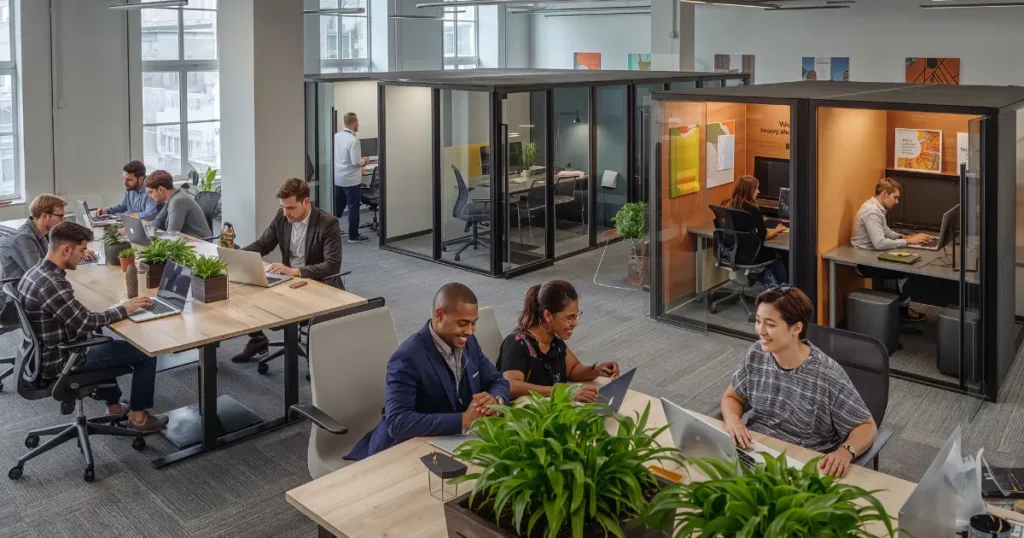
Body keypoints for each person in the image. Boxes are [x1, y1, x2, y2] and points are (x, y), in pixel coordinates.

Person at [15, 222, 167, 432]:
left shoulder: (35, 273)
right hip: (64, 360)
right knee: (145, 353)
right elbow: (86, 322)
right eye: (82, 250)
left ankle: (114, 407)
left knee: (108, 341)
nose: (84, 254)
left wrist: (113, 310)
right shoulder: (52, 284)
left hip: (46, 355)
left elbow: (76, 318)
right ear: (66, 249)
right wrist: (124, 309)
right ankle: (138, 419)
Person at [720, 286, 877, 478]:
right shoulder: (756, 354)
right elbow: (732, 397)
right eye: (758, 321)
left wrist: (845, 451)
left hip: (801, 462)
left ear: (796, 328)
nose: (760, 330)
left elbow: (867, 426)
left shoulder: (826, 374)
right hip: (754, 448)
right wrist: (733, 420)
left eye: (770, 324)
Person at [346, 283, 510, 461]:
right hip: (405, 448)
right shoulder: (407, 357)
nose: (470, 331)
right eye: (463, 324)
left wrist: (494, 400)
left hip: (451, 440)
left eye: (474, 323)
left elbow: (498, 381)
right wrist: (463, 420)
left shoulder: (469, 342)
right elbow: (398, 422)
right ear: (439, 315)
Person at [230, 178, 343, 363]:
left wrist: (295, 271)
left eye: (291, 208)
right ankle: (258, 340)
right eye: (283, 207)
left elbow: (332, 265)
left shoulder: (328, 223)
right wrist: (236, 257)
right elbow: (264, 244)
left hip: (318, 284)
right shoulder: (282, 217)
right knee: (242, 291)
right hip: (288, 281)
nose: (286, 213)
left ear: (306, 202)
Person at [497, 280, 619, 402]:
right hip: (529, 416)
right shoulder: (517, 343)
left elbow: (572, 369)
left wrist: (596, 369)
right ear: (547, 315)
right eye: (569, 317)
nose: (575, 322)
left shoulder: (554, 341)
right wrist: (564, 392)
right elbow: (510, 386)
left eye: (576, 315)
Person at [850, 178, 933, 322]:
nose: (897, 202)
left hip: (873, 256)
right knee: (905, 269)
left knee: (908, 260)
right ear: (884, 194)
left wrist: (903, 236)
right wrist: (907, 242)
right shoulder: (871, 211)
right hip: (866, 262)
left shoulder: (876, 208)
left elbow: (885, 230)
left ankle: (901, 307)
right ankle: (903, 310)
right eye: (895, 197)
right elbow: (880, 243)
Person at [0, 195, 95, 281]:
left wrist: (77, 252)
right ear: (45, 216)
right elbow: (41, 275)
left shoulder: (42, 233)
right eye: (60, 216)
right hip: (17, 295)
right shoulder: (24, 239)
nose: (63, 220)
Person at [721, 175, 788, 286]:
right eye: (756, 188)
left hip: (731, 251)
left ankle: (767, 281)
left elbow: (741, 229)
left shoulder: (727, 205)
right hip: (751, 254)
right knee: (779, 256)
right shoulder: (752, 209)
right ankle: (782, 290)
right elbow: (764, 236)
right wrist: (777, 230)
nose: (758, 191)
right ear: (749, 191)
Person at [333, 112, 370, 243]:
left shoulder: (335, 137)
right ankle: (353, 235)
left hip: (338, 178)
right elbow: (356, 162)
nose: (358, 124)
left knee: (337, 207)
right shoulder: (354, 141)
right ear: (354, 122)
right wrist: (365, 160)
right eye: (357, 122)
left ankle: (332, 232)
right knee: (353, 208)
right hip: (351, 180)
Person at [145, 170, 213, 238]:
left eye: (150, 192)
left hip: (199, 243)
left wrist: (150, 238)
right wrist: (147, 233)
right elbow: (158, 221)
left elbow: (171, 236)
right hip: (186, 240)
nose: (149, 196)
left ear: (160, 189)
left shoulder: (177, 201)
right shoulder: (173, 197)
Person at [97, 161, 161, 220]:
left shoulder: (151, 190)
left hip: (148, 229)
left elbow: (150, 214)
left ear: (140, 179)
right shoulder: (130, 188)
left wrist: (128, 215)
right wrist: (107, 211)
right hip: (134, 226)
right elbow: (123, 207)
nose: (125, 183)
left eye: (129, 180)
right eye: (124, 178)